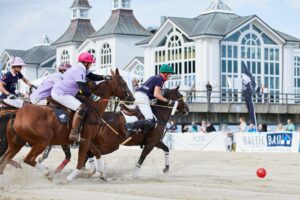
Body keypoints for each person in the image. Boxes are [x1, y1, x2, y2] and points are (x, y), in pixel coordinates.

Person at [51, 52, 111, 142]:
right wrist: (95, 97)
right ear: (86, 63)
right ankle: (74, 134)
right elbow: (83, 89)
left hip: (64, 92)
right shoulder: (79, 71)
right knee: (82, 108)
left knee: (84, 103)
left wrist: (104, 77)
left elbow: (91, 76)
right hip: (61, 94)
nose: (91, 65)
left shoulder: (81, 68)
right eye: (90, 63)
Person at [125, 64, 175, 137]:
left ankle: (142, 133)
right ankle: (130, 126)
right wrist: (167, 101)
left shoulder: (154, 77)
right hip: (142, 97)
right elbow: (156, 94)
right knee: (150, 120)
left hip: (137, 95)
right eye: (170, 74)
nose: (170, 76)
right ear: (165, 73)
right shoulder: (160, 79)